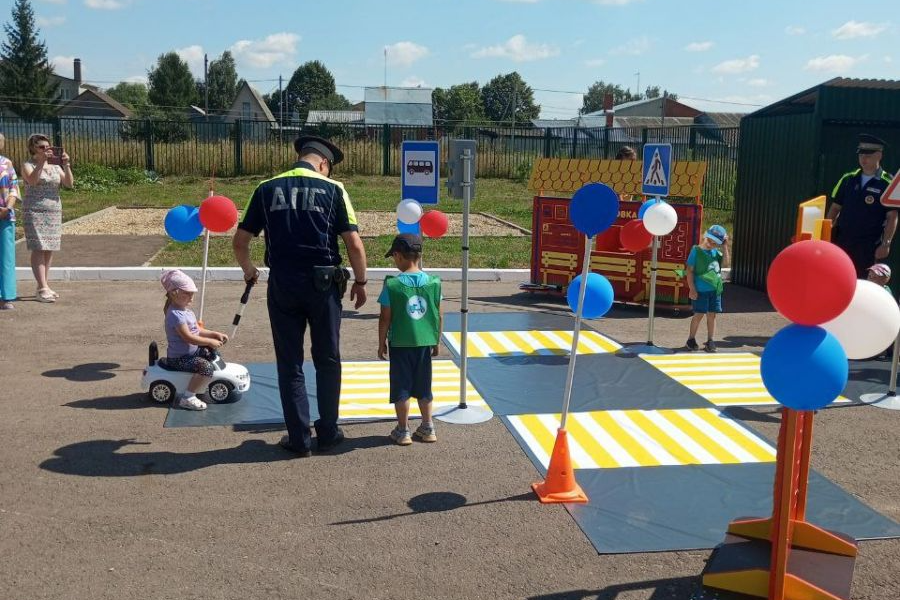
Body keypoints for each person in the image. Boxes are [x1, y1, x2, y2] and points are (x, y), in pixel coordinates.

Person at [233, 135, 368, 457]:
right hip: (323, 286)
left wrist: (250, 269)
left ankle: (299, 439)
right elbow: (354, 244)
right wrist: (360, 282)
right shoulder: (334, 190)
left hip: (283, 284)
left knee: (290, 363)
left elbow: (240, 241)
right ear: (323, 164)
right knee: (328, 359)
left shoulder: (266, 188)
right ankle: (329, 432)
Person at [377, 234, 442, 446]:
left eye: (394, 257)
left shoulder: (392, 284)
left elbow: (385, 317)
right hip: (425, 343)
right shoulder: (434, 283)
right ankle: (427, 426)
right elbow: (438, 315)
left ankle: (403, 430)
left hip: (400, 344)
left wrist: (381, 343)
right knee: (424, 386)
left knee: (401, 388)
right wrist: (436, 340)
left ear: (398, 255)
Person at [827, 134, 896, 278]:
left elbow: (892, 216)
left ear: (879, 155)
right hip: (843, 241)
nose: (863, 159)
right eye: (861, 155)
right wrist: (825, 233)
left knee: (864, 282)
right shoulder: (848, 179)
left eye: (868, 155)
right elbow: (835, 208)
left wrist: (886, 244)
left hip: (869, 246)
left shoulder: (888, 183)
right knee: (839, 277)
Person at [160, 269, 229, 411]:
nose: (192, 298)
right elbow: (188, 337)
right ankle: (188, 397)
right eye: (188, 294)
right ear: (175, 293)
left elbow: (197, 331)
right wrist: (209, 341)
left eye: (192, 294)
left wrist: (214, 334)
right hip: (180, 358)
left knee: (212, 353)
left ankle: (202, 384)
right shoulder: (175, 315)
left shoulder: (186, 311)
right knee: (206, 367)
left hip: (191, 353)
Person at [21, 133, 74, 303]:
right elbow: (33, 181)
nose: (46, 150)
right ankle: (42, 287)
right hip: (34, 211)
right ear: (33, 149)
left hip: (53, 211)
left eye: (48, 147)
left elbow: (69, 184)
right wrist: (42, 162)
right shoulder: (28, 165)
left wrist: (66, 165)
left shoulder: (55, 166)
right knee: (38, 247)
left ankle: (43, 285)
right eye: (42, 147)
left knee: (49, 248)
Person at [685, 225, 730, 353]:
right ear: (705, 237)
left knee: (712, 315)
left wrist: (725, 246)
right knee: (698, 314)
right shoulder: (696, 251)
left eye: (715, 243)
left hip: (715, 290)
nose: (711, 244)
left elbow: (726, 263)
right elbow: (689, 271)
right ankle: (691, 339)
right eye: (709, 240)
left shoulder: (716, 253)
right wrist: (692, 289)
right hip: (700, 290)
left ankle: (710, 340)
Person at [0, 133, 19, 310]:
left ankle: (6, 296)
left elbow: (14, 187)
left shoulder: (7, 163)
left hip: (6, 215)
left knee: (6, 257)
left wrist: (8, 208)